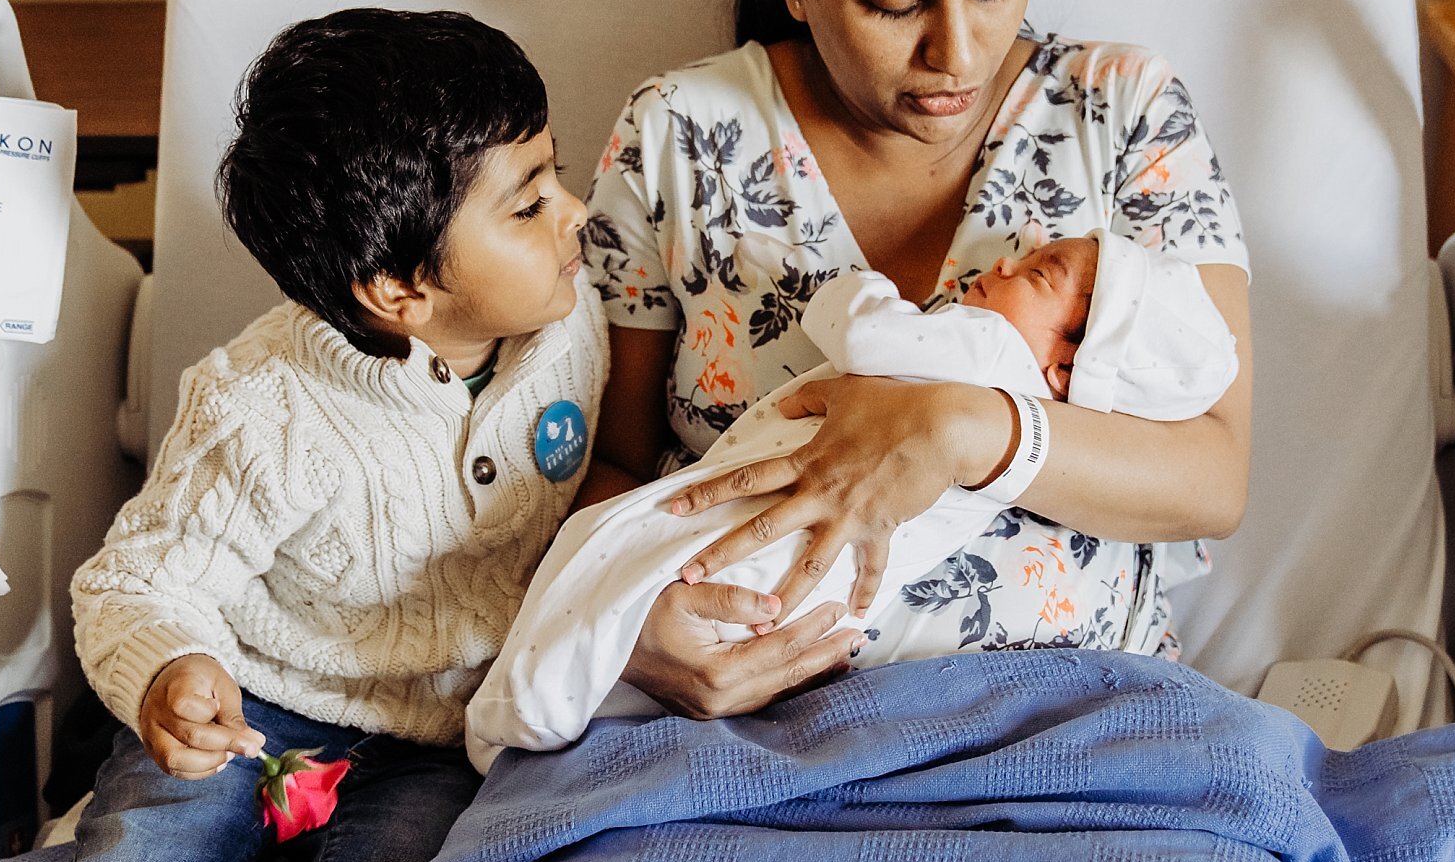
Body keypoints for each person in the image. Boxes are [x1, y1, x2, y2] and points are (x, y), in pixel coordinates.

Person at [0, 9, 608, 862]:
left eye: (554, 175)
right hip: (262, 700)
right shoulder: (262, 408)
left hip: (443, 738)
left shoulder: (573, 327)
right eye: (529, 204)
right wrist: (171, 674)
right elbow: (136, 584)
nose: (574, 213)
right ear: (399, 290)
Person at [577, 0, 1254, 724]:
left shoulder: (1122, 113)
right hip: (751, 746)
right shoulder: (677, 135)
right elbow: (607, 466)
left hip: (1087, 723)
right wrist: (628, 627)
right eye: (895, 3)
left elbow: (1213, 476)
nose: (958, 52)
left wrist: (965, 428)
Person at [467, 230, 1238, 769]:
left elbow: (864, 336)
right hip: (818, 603)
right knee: (627, 576)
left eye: (1037, 274)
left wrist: (855, 290)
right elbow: (618, 449)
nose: (1004, 261)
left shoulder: (990, 351)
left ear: (1068, 366)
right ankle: (543, 700)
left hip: (806, 561)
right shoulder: (673, 124)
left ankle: (524, 710)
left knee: (618, 570)